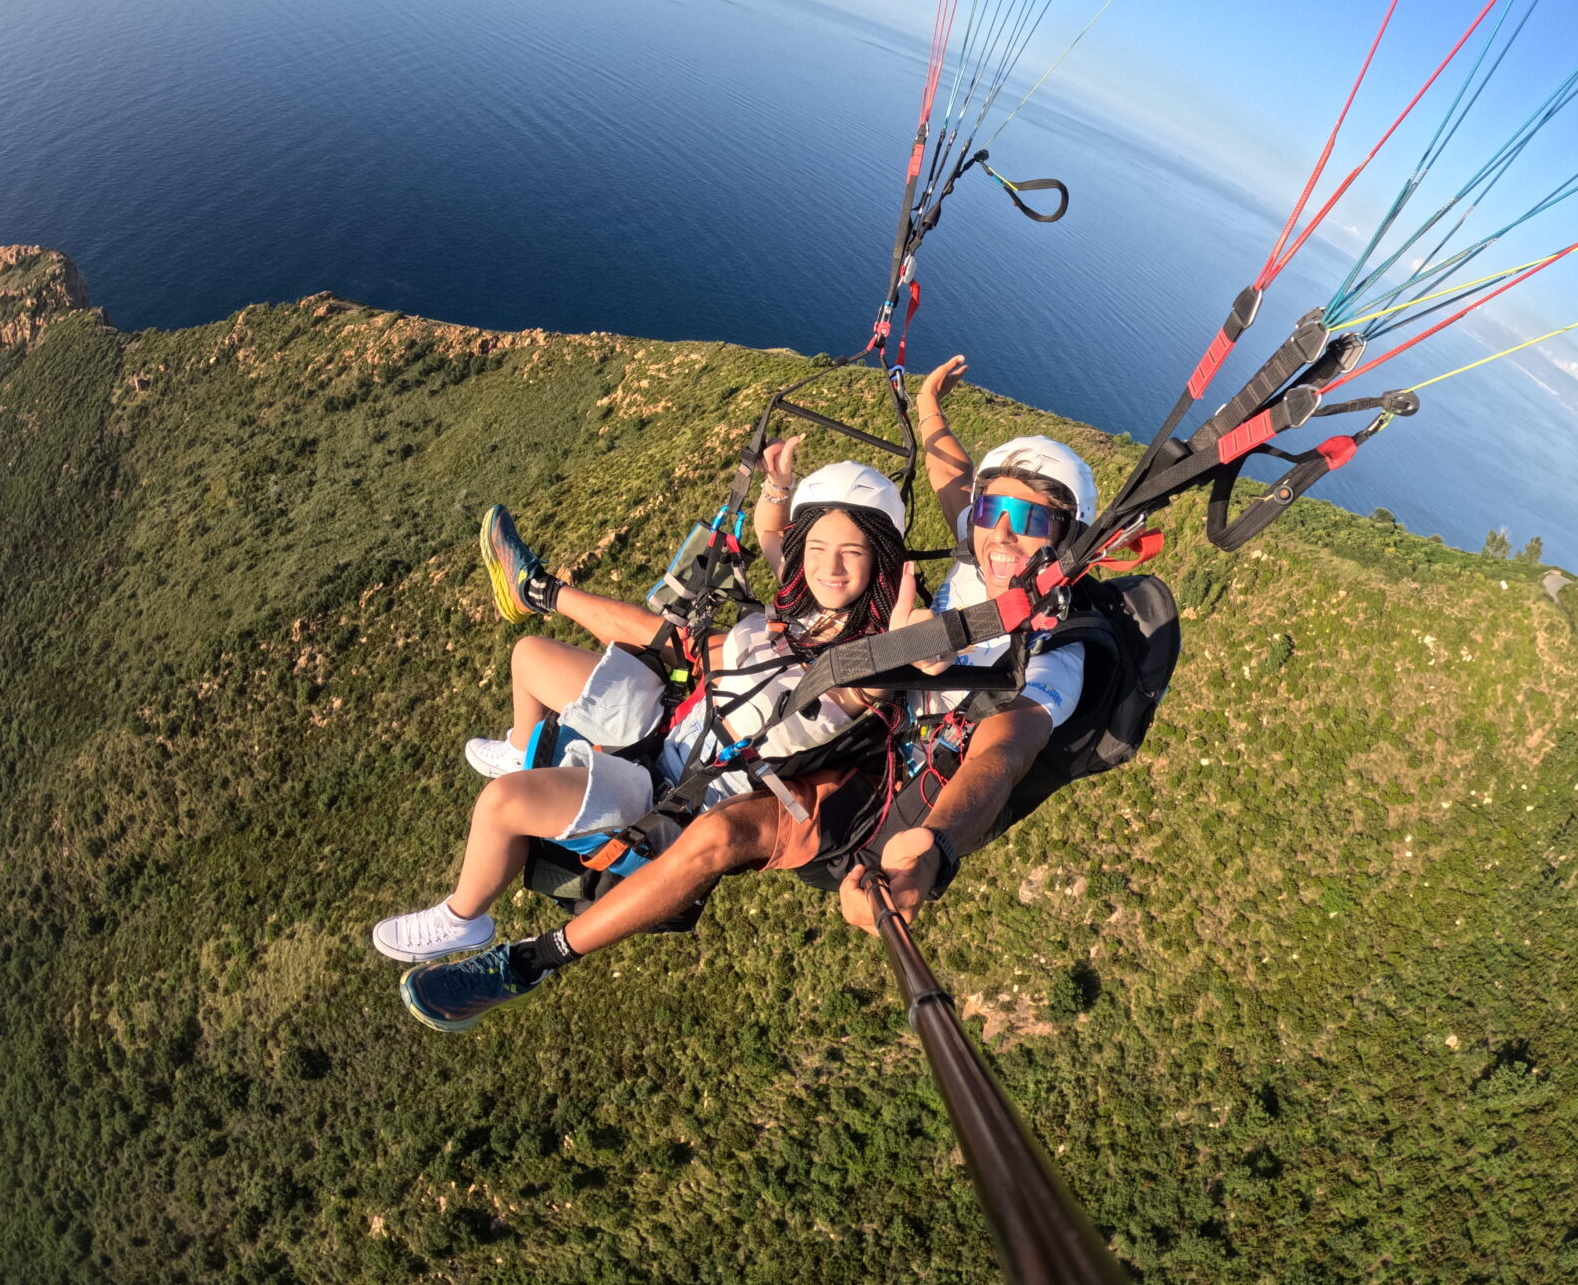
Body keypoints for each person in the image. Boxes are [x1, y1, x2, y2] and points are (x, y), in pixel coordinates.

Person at [397, 355, 1102, 1031]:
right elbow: (951, 482)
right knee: (673, 637)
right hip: (718, 713)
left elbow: (1001, 753)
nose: (1003, 529)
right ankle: (536, 634)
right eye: (994, 508)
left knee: (715, 816)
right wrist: (925, 408)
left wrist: (933, 843)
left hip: (845, 767)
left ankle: (530, 957)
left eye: (1032, 519)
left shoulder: (1048, 653)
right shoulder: (980, 549)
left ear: (1065, 542)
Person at [370, 451, 914, 970]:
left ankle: (463, 916)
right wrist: (776, 482)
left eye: (854, 553)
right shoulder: (800, 602)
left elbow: (897, 667)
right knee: (530, 656)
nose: (830, 566)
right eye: (818, 547)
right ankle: (521, 748)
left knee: (501, 803)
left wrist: (910, 640)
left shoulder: (861, 667)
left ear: (881, 563)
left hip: (674, 799)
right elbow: (774, 535)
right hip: (668, 729)